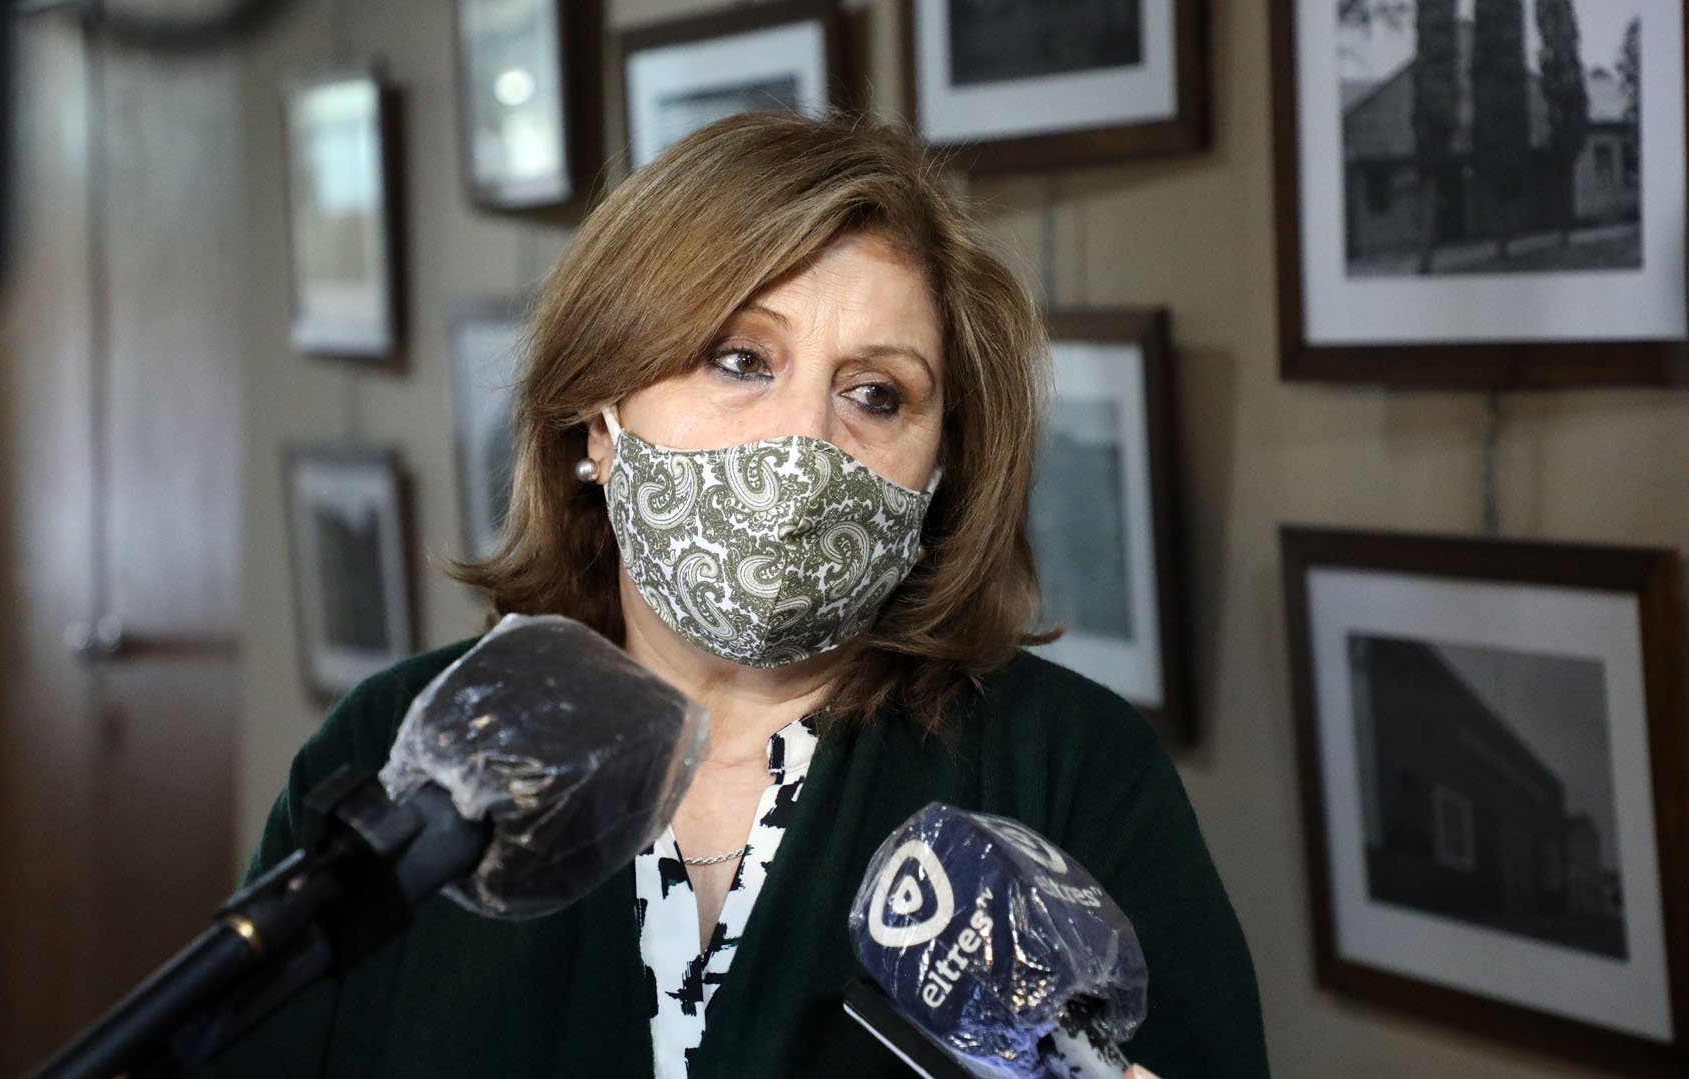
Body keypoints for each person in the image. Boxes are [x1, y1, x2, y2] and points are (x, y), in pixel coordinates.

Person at [207, 111, 1266, 1078]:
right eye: (741, 359)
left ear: (940, 471)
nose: (804, 440)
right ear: (598, 417)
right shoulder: (403, 748)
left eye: (876, 393)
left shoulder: (1069, 770)